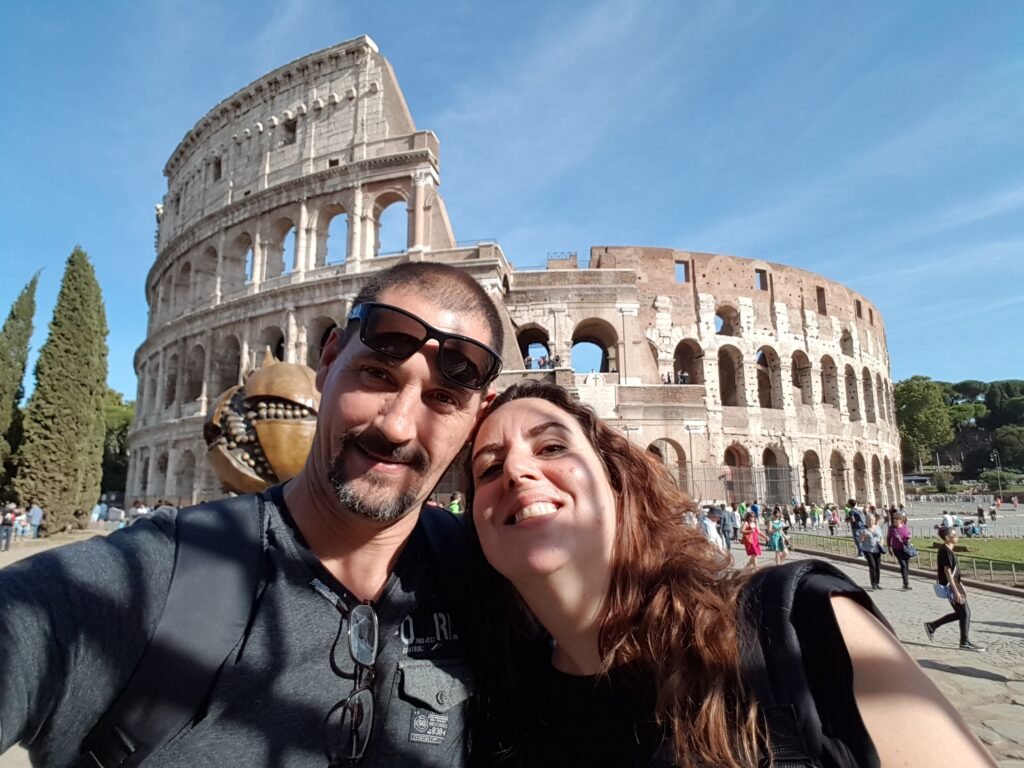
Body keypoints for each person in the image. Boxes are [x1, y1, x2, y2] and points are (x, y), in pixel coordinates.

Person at [0, 262, 505, 767]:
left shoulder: (490, 579)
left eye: (442, 398)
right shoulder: (153, 578)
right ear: (326, 361)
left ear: (477, 418)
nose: (396, 426)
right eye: (376, 374)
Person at [465, 381, 992, 767]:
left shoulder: (800, 626)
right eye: (488, 468)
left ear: (618, 482)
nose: (516, 470)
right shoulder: (493, 709)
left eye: (553, 446)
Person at [925, 527, 985, 651]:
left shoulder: (947, 550)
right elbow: (947, 572)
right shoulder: (945, 551)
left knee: (961, 613)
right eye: (954, 535)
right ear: (948, 538)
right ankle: (964, 642)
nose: (957, 536)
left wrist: (961, 586)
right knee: (965, 613)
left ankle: (932, 626)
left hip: (955, 585)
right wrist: (956, 590)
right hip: (952, 586)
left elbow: (954, 572)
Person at [858, 512, 885, 590]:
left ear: (874, 520)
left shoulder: (878, 527)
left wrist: (882, 544)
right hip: (868, 550)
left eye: (872, 520)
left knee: (878, 566)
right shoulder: (864, 529)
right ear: (866, 521)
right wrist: (863, 536)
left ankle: (877, 583)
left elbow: (881, 537)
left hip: (877, 549)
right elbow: (860, 540)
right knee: (872, 566)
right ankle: (873, 583)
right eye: (869, 520)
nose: (871, 522)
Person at [888, 510, 914, 590]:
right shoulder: (891, 528)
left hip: (906, 549)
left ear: (901, 520)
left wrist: (909, 537)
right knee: (903, 565)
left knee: (906, 566)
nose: (895, 521)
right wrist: (889, 548)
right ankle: (906, 584)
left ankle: (905, 581)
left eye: (896, 519)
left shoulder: (904, 526)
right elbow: (888, 538)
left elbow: (908, 535)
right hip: (897, 549)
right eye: (894, 519)